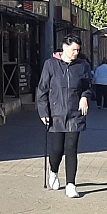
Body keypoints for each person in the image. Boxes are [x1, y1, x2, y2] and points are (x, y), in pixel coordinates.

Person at [37, 36, 93, 199]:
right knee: (56, 149)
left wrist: (85, 96)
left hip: (75, 114)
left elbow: (88, 86)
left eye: (78, 50)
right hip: (56, 113)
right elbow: (42, 90)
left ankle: (71, 184)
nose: (76, 53)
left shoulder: (83, 66)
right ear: (64, 48)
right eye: (73, 49)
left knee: (71, 149)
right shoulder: (50, 64)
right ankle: (53, 171)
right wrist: (43, 112)